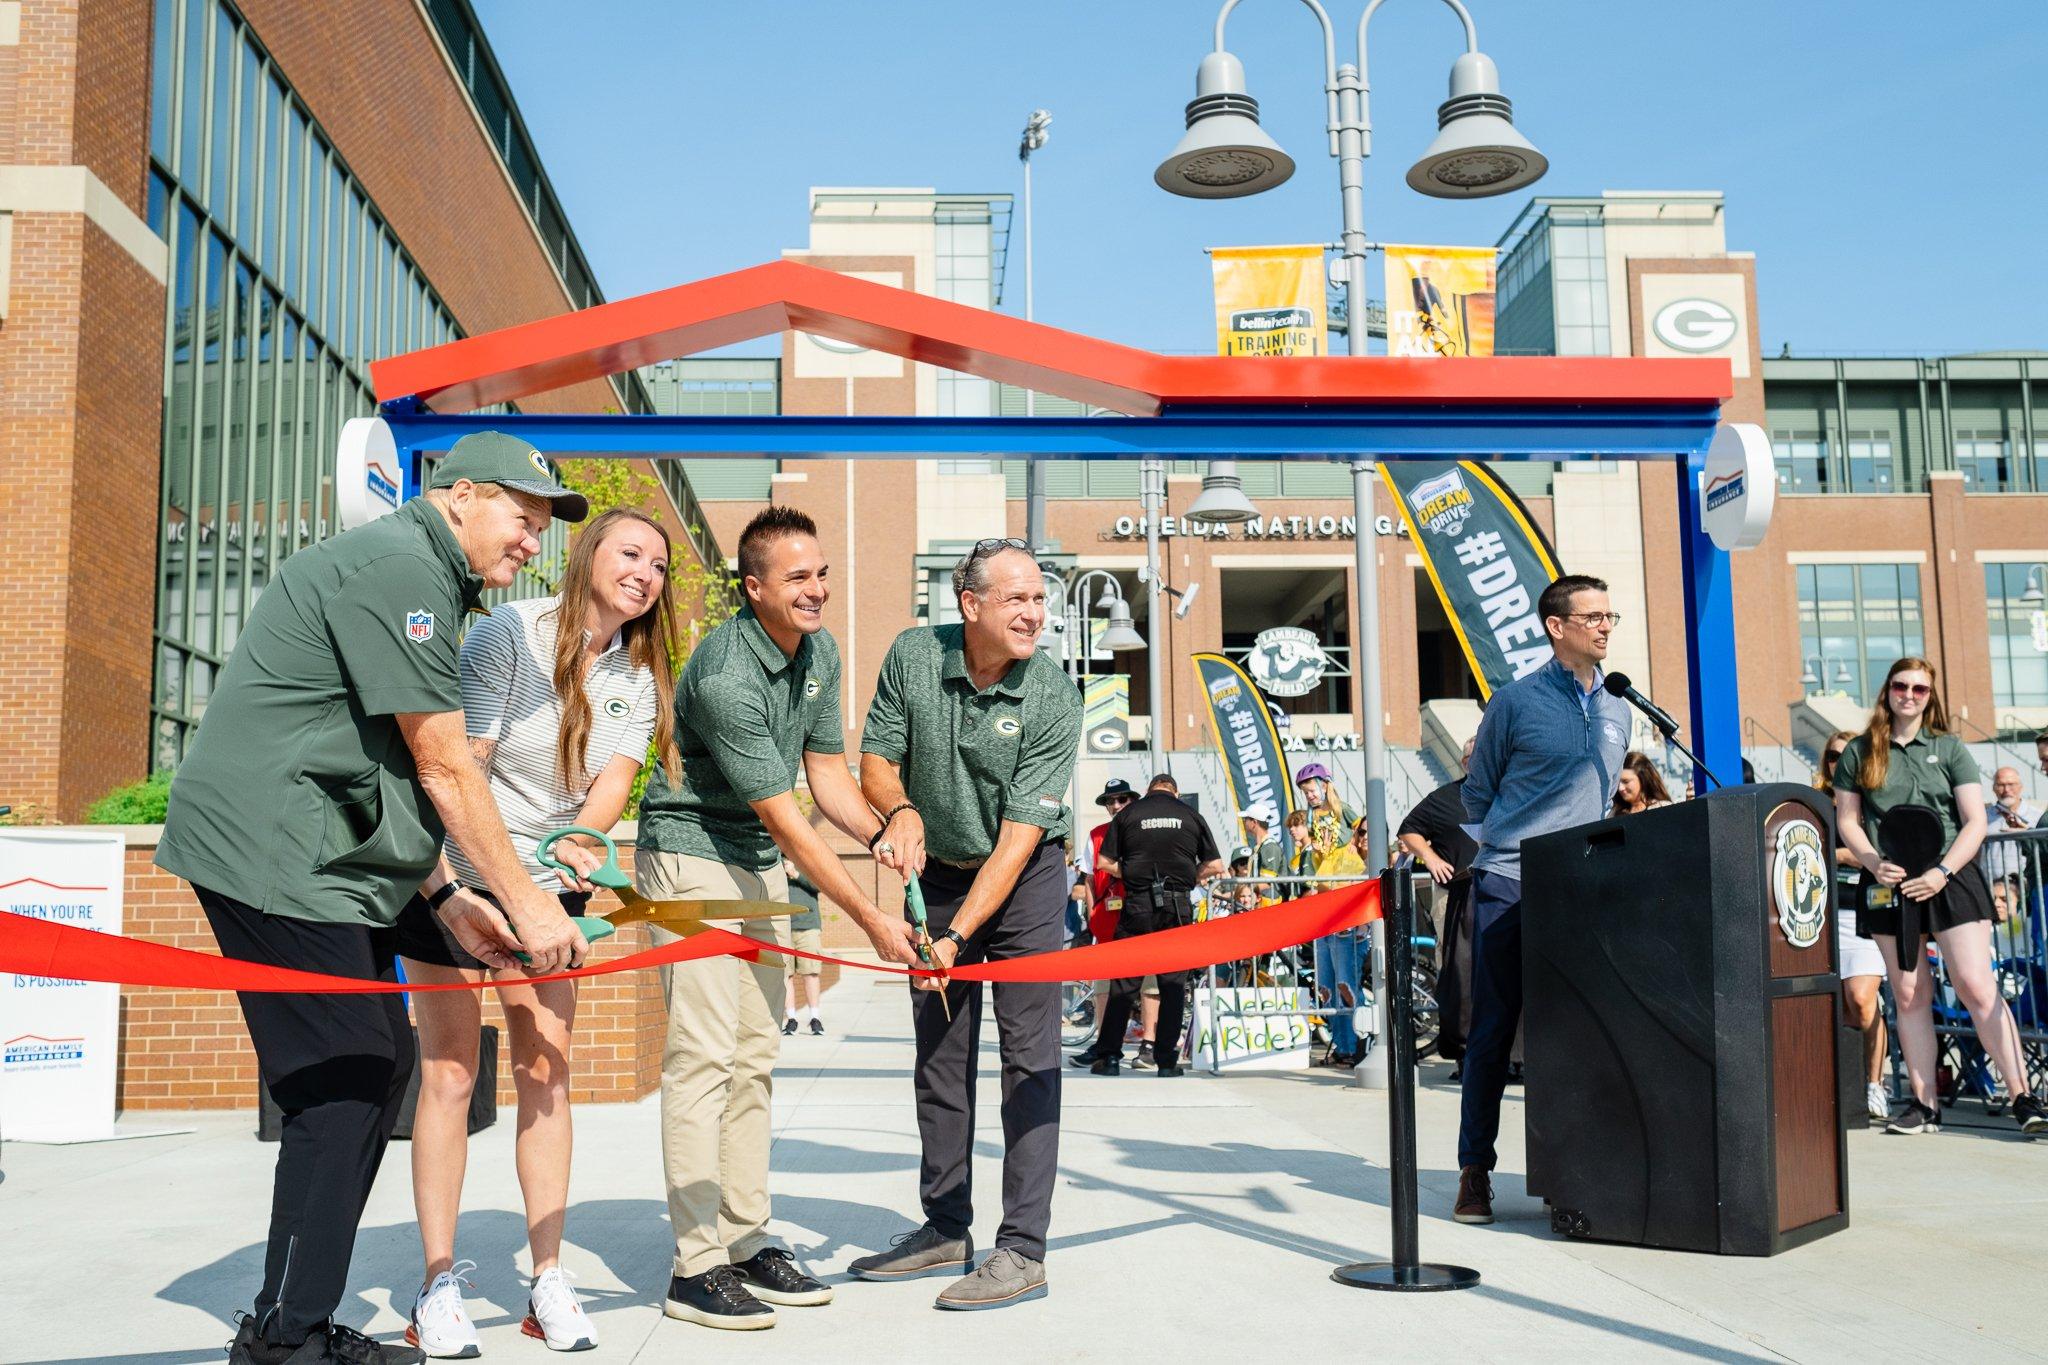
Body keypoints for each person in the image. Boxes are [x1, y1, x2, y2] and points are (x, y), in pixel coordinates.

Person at [157, 432, 592, 1364]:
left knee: (364, 1071)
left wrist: (447, 899)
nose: (533, 543)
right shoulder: (402, 567)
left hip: (330, 844)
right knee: (352, 1072)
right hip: (274, 845)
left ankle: (289, 1322)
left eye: (543, 527)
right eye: (524, 519)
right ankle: (287, 1339)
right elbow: (442, 764)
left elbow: (388, 765)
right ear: (463, 494)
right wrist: (529, 903)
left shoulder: (426, 577)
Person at [398, 508, 680, 1356]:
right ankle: (436, 1284)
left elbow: (604, 798)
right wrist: (491, 890)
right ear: (589, 554)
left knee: (546, 1070)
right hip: (456, 871)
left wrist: (558, 883)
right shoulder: (508, 635)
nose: (645, 573)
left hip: (553, 885)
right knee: (449, 1072)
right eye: (632, 553)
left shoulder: (640, 674)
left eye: (660, 566)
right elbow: (461, 769)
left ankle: (546, 1280)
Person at [635, 506, 921, 1331]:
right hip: (690, 849)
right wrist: (868, 915)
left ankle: (746, 1236)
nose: (818, 589)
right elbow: (787, 819)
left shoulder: (820, 652)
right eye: (798, 577)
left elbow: (827, 778)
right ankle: (695, 1266)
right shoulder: (726, 673)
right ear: (753, 587)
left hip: (751, 857)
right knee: (703, 1053)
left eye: (823, 572)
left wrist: (886, 831)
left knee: (756, 1052)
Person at [850, 537, 1083, 1310]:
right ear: (970, 604)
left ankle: (1023, 1248)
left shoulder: (1051, 691)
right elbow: (876, 757)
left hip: (1026, 878)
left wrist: (953, 939)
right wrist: (901, 808)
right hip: (938, 871)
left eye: (1040, 598)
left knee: (1030, 1054)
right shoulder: (915, 655)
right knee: (940, 1056)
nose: (1034, 611)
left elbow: (1019, 838)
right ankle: (946, 1227)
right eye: (1016, 597)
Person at [1454, 574, 1632, 1225]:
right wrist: (1517, 840)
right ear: (1557, 626)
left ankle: (1570, 1177)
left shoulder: (1619, 704)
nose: (1605, 626)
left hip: (1580, 886)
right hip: (1507, 880)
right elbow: (1479, 793)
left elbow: (1608, 794)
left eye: (1609, 615)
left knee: (1574, 1033)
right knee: (1494, 1033)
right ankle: (1475, 1170)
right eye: (1592, 617)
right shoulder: (1514, 701)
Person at [1832, 657, 2046, 1135]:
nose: (1909, 695)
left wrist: (1944, 871)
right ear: (1886, 690)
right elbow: (1848, 819)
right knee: (1908, 993)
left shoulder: (1950, 748)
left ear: (1931, 696)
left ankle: (2023, 1096)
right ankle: (1925, 1105)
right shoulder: (1861, 750)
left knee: (1974, 984)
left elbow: (1973, 820)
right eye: (1901, 686)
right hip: (1887, 879)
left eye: (1920, 689)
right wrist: (1871, 861)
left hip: (1951, 875)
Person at [1079, 773, 1224, 1076]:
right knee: (1172, 985)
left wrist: (1131, 874)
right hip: (1177, 907)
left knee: (1123, 984)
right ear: (1175, 791)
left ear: (1147, 791)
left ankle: (1109, 1058)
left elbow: (1104, 863)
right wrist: (1189, 878)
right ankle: (1166, 1061)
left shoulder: (1130, 814)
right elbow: (1215, 865)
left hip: (1137, 906)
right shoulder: (1190, 815)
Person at [1399, 737, 1481, 1063]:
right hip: (1453, 896)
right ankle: (1463, 1051)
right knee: (1456, 972)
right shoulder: (1444, 797)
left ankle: (1508, 1055)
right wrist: (1430, 858)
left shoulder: (1507, 792)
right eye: (1476, 755)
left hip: (1500, 894)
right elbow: (1408, 830)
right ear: (1464, 762)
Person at [1309, 812, 1369, 1066]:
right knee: (1326, 990)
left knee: (1346, 986)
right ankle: (1343, 1046)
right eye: (1361, 832)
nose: (1364, 837)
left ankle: (1362, 1043)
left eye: (1370, 833)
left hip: (1352, 934)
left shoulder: (1378, 860)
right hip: (1326, 927)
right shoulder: (1343, 854)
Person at [1984, 766, 2042, 923]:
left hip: (2027, 890)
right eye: (2001, 785)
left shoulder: (2036, 817)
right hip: (1992, 893)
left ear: (2021, 787)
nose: (2006, 789)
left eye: (2011, 784)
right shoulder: (1982, 818)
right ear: (1994, 788)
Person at [781, 859, 827, 1036]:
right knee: (786, 975)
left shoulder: (807, 860)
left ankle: (815, 1018)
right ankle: (791, 1019)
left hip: (808, 926)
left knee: (811, 973)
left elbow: (819, 885)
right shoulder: (776, 861)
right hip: (783, 927)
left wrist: (796, 874)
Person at [1610, 751, 1675, 816]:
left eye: (1626, 781)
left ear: (1643, 779)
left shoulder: (1663, 808)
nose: (1620, 788)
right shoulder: (1613, 812)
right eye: (1617, 782)